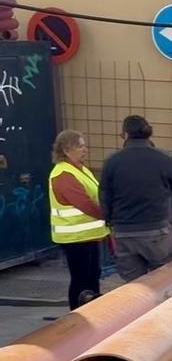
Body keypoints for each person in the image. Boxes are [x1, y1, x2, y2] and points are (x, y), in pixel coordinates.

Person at [100, 115, 172, 281]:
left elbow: (104, 196)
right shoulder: (164, 158)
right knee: (163, 281)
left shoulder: (112, 162)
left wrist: (110, 221)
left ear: (125, 134)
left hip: (124, 232)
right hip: (156, 231)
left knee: (133, 288)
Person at [48, 130, 109, 309]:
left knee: (92, 276)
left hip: (87, 236)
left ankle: (93, 311)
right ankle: (77, 316)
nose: (85, 150)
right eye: (81, 146)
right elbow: (85, 203)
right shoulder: (63, 174)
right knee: (81, 279)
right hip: (75, 237)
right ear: (67, 150)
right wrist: (108, 215)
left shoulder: (80, 169)